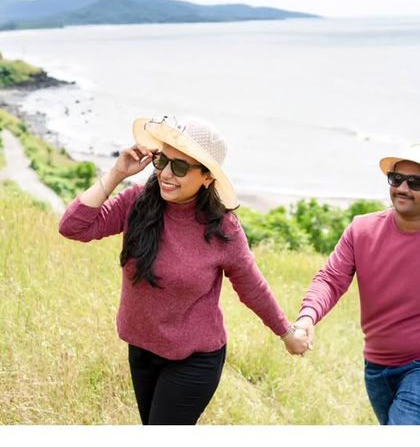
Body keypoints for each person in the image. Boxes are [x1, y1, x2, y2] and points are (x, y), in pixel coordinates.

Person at [59, 115, 308, 425]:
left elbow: (252, 287)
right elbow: (72, 227)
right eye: (162, 161)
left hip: (194, 360)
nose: (165, 174)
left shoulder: (223, 228)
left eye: (179, 167)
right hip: (142, 348)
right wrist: (116, 173)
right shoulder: (136, 203)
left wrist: (287, 333)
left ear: (207, 177)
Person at [295, 144, 420, 425]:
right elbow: (330, 279)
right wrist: (307, 317)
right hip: (376, 367)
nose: (402, 188)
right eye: (396, 179)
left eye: (415, 183)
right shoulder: (362, 229)